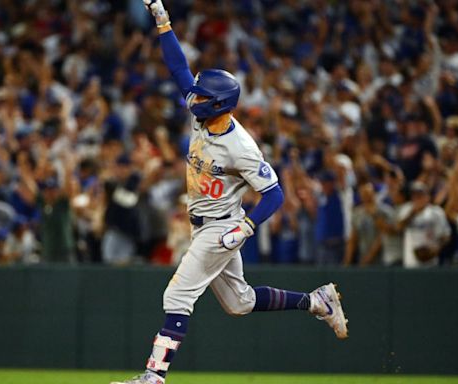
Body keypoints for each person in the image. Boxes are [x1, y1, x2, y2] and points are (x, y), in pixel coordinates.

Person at [110, 1, 348, 384]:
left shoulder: (242, 147)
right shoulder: (200, 112)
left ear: (220, 104)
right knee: (241, 303)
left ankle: (154, 377)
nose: (194, 98)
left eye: (202, 96)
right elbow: (178, 68)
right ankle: (316, 301)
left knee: (177, 297)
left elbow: (274, 195)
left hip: (222, 228)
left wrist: (247, 227)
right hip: (203, 221)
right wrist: (162, 20)